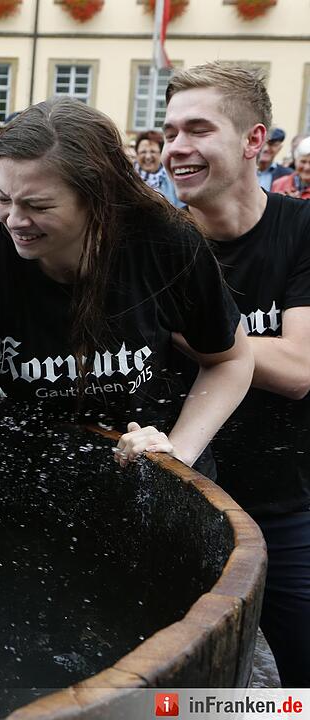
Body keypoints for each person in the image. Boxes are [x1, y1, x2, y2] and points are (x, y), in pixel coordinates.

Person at [0, 96, 253, 485]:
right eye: (4, 199)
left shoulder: (165, 244)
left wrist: (176, 453)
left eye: (38, 205)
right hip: (45, 486)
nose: (15, 220)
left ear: (97, 199)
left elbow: (230, 361)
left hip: (154, 481)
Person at [163, 61, 310, 687]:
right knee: (183, 690)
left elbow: (300, 368)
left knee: (299, 686)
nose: (176, 149)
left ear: (255, 141)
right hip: (189, 502)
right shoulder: (158, 245)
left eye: (198, 130)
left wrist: (187, 328)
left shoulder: (301, 229)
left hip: (290, 506)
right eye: (169, 132)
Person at [133, 130, 182, 207]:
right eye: (143, 152)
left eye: (153, 151)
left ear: (161, 154)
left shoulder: (173, 180)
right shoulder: (128, 178)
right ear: (137, 154)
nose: (148, 157)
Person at [256, 127, 293, 191]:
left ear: (280, 148)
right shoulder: (241, 171)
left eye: (272, 144)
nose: (266, 148)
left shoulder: (288, 175)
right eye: (262, 143)